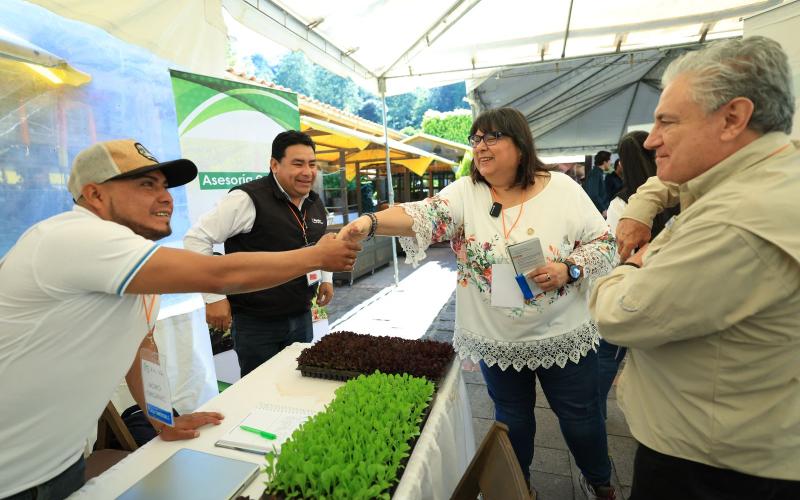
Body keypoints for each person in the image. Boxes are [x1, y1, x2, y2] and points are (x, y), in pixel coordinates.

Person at [0, 139, 360, 499]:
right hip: (14, 477)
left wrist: (161, 419)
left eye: (164, 185)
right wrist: (314, 256)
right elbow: (218, 275)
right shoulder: (75, 236)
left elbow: (140, 346)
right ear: (94, 195)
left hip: (58, 464)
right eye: (145, 185)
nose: (165, 197)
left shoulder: (129, 259)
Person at [340, 108, 618, 499]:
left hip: (563, 331)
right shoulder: (465, 192)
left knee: (581, 419)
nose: (480, 147)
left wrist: (568, 269)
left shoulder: (562, 188)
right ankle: (518, 490)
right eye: (476, 140)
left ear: (519, 144)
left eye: (491, 138)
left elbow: (605, 244)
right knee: (512, 420)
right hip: (495, 336)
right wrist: (369, 222)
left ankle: (600, 481)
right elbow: (424, 213)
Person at [590, 36, 800, 500]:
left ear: (732, 119)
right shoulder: (773, 171)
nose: (651, 140)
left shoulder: (735, 222)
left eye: (667, 121)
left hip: (710, 467)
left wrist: (629, 266)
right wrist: (643, 205)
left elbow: (620, 314)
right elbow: (673, 183)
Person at [184, 130, 334, 377]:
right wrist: (214, 297)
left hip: (301, 315)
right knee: (261, 391)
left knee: (300, 382)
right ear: (274, 165)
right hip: (256, 323)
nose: (307, 172)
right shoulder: (247, 199)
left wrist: (325, 279)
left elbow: (321, 246)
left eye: (312, 164)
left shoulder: (314, 202)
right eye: (297, 164)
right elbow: (196, 239)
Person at [598, 131, 679, 419]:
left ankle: (598, 405)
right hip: (674, 286)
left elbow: (615, 253)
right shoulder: (680, 192)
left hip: (634, 286)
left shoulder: (623, 203)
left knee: (609, 350)